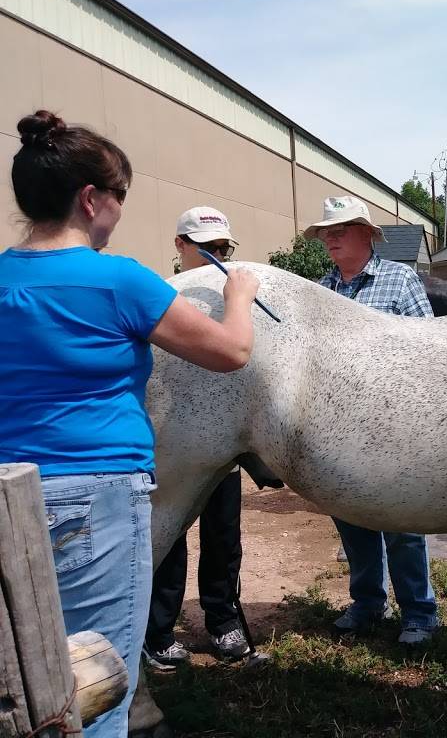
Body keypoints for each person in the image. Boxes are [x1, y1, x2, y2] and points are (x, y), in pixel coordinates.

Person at [0, 110, 260, 737]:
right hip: (97, 498)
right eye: (119, 198)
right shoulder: (119, 280)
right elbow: (231, 353)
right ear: (91, 200)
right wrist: (240, 297)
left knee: (20, 671)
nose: (119, 213)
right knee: (96, 681)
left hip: (10, 492)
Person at [143, 208, 274, 669]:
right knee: (170, 532)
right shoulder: (158, 297)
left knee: (223, 535)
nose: (216, 256)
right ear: (180, 245)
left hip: (226, 444)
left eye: (223, 249)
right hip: (173, 443)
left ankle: (222, 621)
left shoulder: (232, 301)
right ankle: (158, 630)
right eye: (206, 247)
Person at [308, 195, 439, 646]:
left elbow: (428, 350)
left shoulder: (400, 280)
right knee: (352, 520)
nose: (331, 237)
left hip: (395, 427)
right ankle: (367, 603)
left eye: (341, 228)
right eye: (327, 231)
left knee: (403, 525)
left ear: (368, 234)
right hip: (339, 430)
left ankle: (419, 613)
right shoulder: (319, 290)